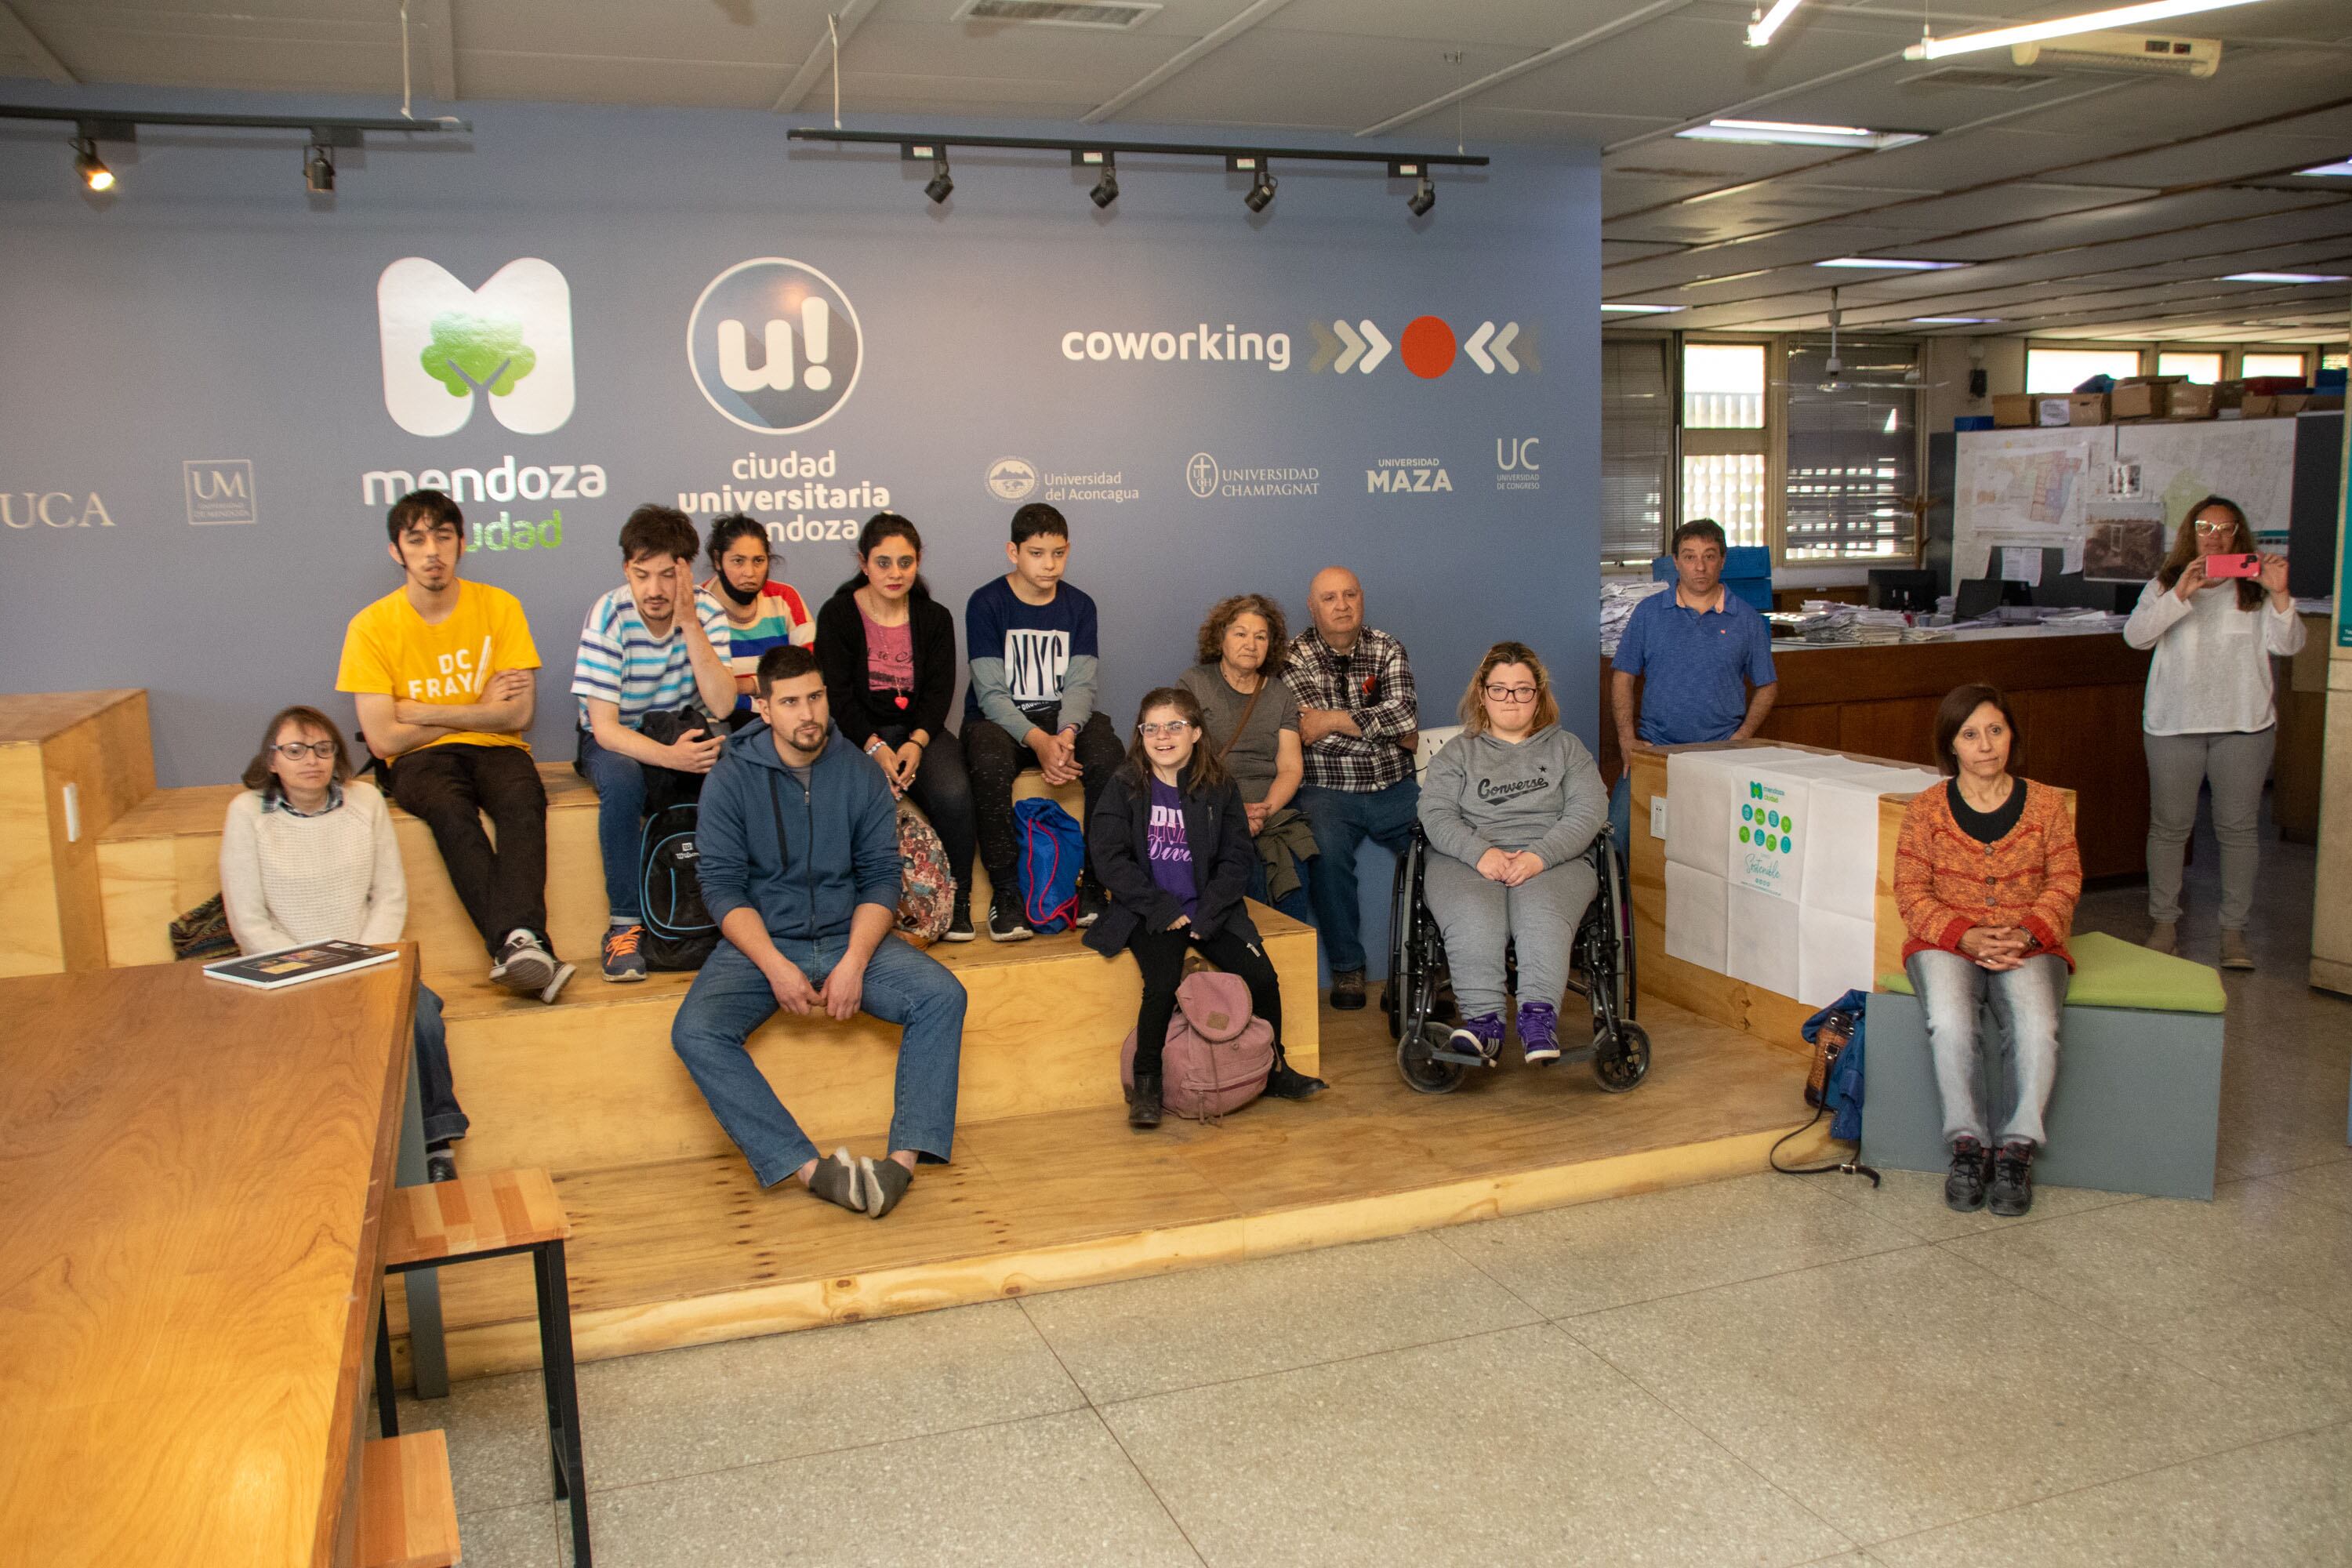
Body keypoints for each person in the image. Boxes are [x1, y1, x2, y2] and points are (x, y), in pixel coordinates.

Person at [670, 645, 967, 1218]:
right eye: (789, 702)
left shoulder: (859, 772)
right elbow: (723, 889)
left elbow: (882, 879)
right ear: (762, 708)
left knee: (942, 997)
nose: (807, 713)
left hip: (845, 934)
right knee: (695, 1033)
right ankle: (809, 1169)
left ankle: (900, 1164)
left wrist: (854, 961)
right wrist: (774, 966)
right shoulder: (731, 776)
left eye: (815, 697)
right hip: (763, 943)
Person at [338, 488, 572, 1002]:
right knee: (449, 811)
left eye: (442, 537)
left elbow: (519, 715)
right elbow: (382, 738)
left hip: (498, 748)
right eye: (416, 539)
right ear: (396, 551)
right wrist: (476, 708)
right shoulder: (371, 627)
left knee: (523, 801)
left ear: (461, 543)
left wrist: (421, 710)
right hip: (419, 762)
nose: (432, 551)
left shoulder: (499, 606)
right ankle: (525, 943)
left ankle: (514, 947)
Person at [218, 705, 466, 1181]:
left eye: (323, 749)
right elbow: (248, 921)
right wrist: (311, 970)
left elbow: (390, 896)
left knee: (424, 1018)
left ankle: (435, 1141)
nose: (311, 760)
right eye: (295, 750)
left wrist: (360, 962)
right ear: (272, 760)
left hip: (368, 962)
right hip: (286, 974)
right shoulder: (247, 813)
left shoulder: (365, 801)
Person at [1085, 687, 1326, 1129]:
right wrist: (1158, 908)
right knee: (1160, 985)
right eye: (1151, 727)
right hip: (1151, 911)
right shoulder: (1124, 786)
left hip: (1210, 908)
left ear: (1195, 732)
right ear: (1141, 735)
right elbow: (1109, 858)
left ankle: (1274, 1068)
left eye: (1174, 726)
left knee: (1262, 977)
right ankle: (1148, 1084)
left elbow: (1237, 857)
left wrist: (1210, 912)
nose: (1162, 736)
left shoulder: (1218, 786)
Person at [1894, 684, 2081, 1218]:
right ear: (1951, 745)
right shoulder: (1926, 810)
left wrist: (2025, 934)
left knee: (2036, 1023)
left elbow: (2066, 879)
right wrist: (1964, 936)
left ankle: (2017, 1149)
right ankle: (1968, 1147)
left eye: (1996, 731)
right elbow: (1911, 891)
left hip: (2029, 940)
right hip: (1945, 941)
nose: (1985, 745)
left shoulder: (2046, 803)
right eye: (1970, 734)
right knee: (1951, 1020)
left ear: (2012, 736)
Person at [2122, 495, 2304, 969]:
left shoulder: (2256, 589)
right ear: (2192, 534)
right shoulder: (2165, 584)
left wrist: (2281, 594)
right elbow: (2137, 637)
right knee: (2169, 827)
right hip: (2173, 726)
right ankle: (2164, 923)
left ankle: (2234, 934)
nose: (2216, 536)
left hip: (2244, 728)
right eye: (2206, 527)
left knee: (2239, 830)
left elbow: (2288, 645)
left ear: (2239, 536)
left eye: (2226, 529)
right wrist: (2179, 594)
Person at [1418, 643, 1608, 1065]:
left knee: (1541, 908)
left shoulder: (1568, 749)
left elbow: (1589, 810)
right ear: (1482, 693)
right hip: (1467, 859)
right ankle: (1484, 1024)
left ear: (1538, 696)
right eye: (1500, 689)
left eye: (1522, 690)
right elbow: (1435, 813)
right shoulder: (1457, 754)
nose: (1511, 699)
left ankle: (1538, 1019)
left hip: (1555, 859)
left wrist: (1539, 856)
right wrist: (1480, 852)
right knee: (1473, 910)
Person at [572, 505, 738, 982]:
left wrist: (690, 624)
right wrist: (671, 758)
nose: (655, 590)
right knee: (623, 782)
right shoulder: (609, 613)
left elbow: (723, 704)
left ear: (687, 571)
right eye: (642, 575)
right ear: (627, 569)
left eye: (668, 575)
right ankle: (624, 925)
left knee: (739, 769)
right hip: (617, 737)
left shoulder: (706, 613)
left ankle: (731, 916)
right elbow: (603, 728)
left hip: (680, 729)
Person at [963, 503, 1126, 941]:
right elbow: (991, 693)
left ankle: (1094, 886)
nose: (1049, 564)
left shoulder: (1080, 606)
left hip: (1061, 719)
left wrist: (1067, 734)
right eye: (1037, 553)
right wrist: (1039, 741)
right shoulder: (986, 602)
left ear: (1068, 550)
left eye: (1058, 553)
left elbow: (1081, 684)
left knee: (1110, 756)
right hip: (1000, 721)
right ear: (1013, 552)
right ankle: (1006, 894)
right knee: (988, 762)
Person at [813, 514, 979, 942]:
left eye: (905, 562)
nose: (895, 573)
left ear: (918, 561)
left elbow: (940, 692)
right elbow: (839, 694)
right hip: (855, 734)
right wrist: (873, 747)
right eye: (883, 562)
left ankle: (958, 902)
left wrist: (918, 743)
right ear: (863, 563)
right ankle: (851, 913)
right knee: (848, 800)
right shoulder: (838, 614)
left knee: (955, 793)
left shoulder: (935, 617)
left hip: (919, 733)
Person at [1285, 566, 1419, 1010]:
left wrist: (1334, 722)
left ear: (1362, 598)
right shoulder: (1293, 656)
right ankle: (1348, 970)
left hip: (1395, 787)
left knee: (1444, 848)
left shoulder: (1388, 647)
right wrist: (1384, 734)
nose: (1341, 605)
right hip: (1328, 790)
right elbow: (1307, 729)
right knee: (1321, 850)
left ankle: (1426, 969)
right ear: (1312, 606)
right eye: (1329, 598)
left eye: (1350, 595)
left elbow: (1406, 719)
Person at [1608, 518, 1778, 853]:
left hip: (1720, 753)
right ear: (1675, 562)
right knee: (1618, 837)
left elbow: (1768, 685)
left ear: (1723, 559)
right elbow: (1622, 676)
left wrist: (1742, 738)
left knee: (1718, 848)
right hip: (1655, 750)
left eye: (1709, 556)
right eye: (1689, 556)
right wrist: (1627, 739)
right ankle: (1626, 907)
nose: (1699, 566)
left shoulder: (1746, 619)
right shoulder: (1648, 613)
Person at [1180, 594, 1317, 926]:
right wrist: (1234, 814)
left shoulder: (1280, 694)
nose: (1250, 644)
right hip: (1213, 810)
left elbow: (1290, 767)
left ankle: (1286, 972)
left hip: (1269, 812)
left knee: (1293, 881)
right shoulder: (1194, 684)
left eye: (1261, 636)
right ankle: (1249, 968)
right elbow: (1185, 762)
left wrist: (1265, 809)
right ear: (1221, 637)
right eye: (1240, 633)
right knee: (1244, 872)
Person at [701, 512, 816, 730]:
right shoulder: (698, 607)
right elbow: (704, 692)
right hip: (723, 724)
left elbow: (808, 672)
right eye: (738, 561)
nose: (749, 573)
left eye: (759, 561)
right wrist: (762, 692)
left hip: (786, 717)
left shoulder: (785, 599)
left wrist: (745, 684)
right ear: (718, 561)